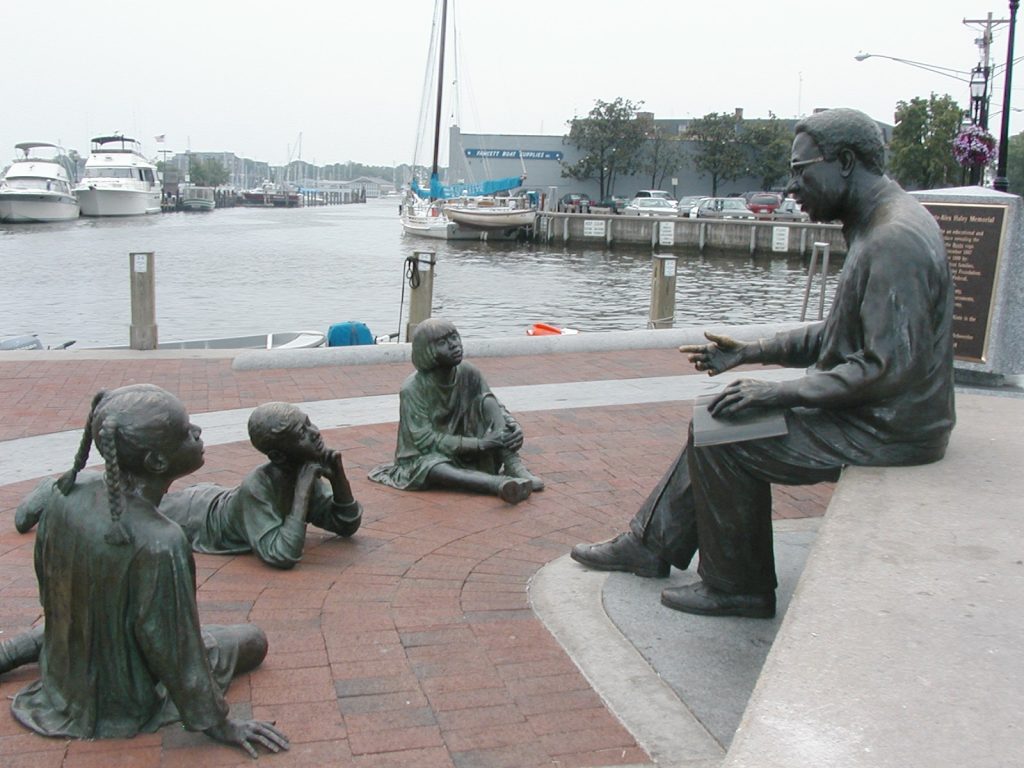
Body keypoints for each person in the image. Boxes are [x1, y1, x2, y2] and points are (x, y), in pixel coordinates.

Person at [571, 108, 955, 619]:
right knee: (717, 417)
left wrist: (778, 392)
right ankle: (650, 544)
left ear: (844, 162)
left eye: (801, 170)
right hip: (885, 414)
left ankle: (738, 587)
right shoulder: (877, 224)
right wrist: (753, 352)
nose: (792, 186)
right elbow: (842, 335)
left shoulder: (892, 241)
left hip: (890, 427)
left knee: (728, 442)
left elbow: (888, 368)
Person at [2, 385, 289, 758]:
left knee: (88, 613)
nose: (198, 432)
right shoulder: (160, 541)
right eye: (186, 432)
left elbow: (49, 585)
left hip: (67, 662)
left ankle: (14, 650)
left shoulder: (66, 492)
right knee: (251, 640)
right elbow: (174, 649)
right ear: (156, 462)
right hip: (121, 696)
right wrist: (219, 722)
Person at [158, 402, 362, 570]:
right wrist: (302, 492)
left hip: (217, 497)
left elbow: (346, 525)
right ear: (278, 456)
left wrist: (338, 479)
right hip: (198, 516)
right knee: (151, 509)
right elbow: (282, 554)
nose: (315, 433)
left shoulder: (303, 471)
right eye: (301, 434)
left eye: (308, 423)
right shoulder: (258, 486)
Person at [369, 318, 543, 504]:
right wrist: (479, 444)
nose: (453, 345)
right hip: (426, 455)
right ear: (426, 351)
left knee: (486, 401)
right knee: (433, 467)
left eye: (454, 337)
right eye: (442, 343)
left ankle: (512, 464)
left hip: (466, 442)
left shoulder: (468, 372)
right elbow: (425, 440)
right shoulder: (412, 389)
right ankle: (498, 484)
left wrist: (512, 426)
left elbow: (496, 407)